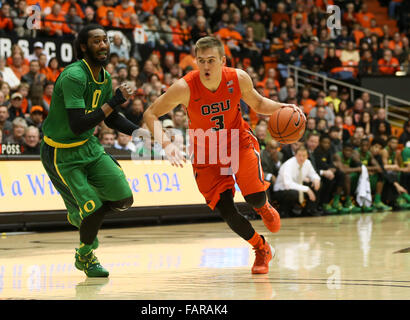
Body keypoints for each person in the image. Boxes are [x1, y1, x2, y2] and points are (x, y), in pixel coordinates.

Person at [143, 36, 304, 275]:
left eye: (211, 60)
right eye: (201, 61)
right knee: (228, 212)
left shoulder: (237, 78)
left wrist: (286, 109)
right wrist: (167, 144)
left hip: (238, 143)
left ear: (222, 60)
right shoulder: (185, 87)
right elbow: (150, 114)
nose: (206, 66)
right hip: (206, 153)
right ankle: (262, 248)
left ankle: (264, 207)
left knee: (254, 199)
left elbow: (258, 104)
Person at [40, 24, 140, 278]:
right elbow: (78, 125)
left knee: (123, 198)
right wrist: (114, 100)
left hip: (89, 147)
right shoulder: (74, 76)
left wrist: (139, 133)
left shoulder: (104, 77)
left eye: (105, 40)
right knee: (93, 208)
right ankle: (85, 255)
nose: (103, 45)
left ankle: (84, 214)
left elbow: (111, 117)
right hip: (61, 154)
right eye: (96, 41)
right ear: (84, 47)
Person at [273, 146, 321, 217]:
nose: (301, 158)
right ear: (295, 155)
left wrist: (316, 179)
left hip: (297, 187)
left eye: (304, 156)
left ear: (307, 156)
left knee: (317, 184)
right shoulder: (288, 164)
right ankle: (284, 211)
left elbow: (313, 174)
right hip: (281, 190)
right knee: (294, 193)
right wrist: (307, 189)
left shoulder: (307, 162)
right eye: (299, 155)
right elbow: (288, 184)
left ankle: (309, 210)